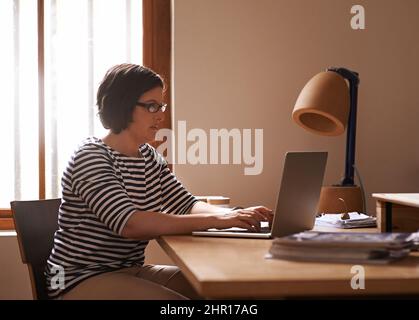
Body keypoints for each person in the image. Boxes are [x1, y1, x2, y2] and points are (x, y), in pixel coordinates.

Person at [45, 63, 273, 300]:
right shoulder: (90, 156)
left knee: (226, 292)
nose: (161, 115)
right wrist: (220, 219)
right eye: (151, 106)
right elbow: (130, 224)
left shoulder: (149, 156)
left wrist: (237, 214)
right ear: (122, 105)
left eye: (160, 105)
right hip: (76, 278)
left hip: (129, 271)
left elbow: (186, 204)